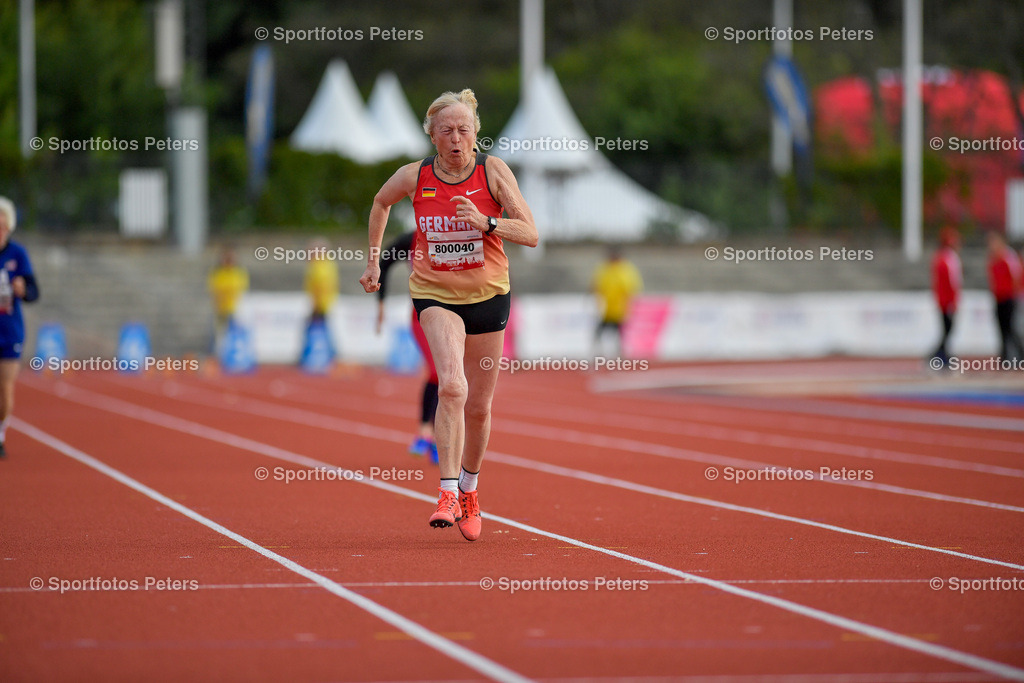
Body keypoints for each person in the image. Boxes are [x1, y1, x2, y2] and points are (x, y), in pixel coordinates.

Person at [359, 88, 538, 541]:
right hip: (435, 295)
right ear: (432, 137)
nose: (456, 139)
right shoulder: (414, 176)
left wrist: (487, 223)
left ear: (476, 132)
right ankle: (446, 491)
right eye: (446, 131)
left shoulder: (492, 171)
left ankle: (471, 490)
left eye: (463, 129)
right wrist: (373, 261)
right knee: (452, 387)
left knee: (478, 407)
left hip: (489, 297)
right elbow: (381, 202)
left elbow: (530, 233)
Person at [377, 230, 439, 463]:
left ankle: (437, 437)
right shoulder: (411, 240)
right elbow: (384, 262)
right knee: (437, 371)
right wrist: (381, 302)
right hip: (421, 315)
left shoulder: (460, 233)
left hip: (456, 314)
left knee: (452, 376)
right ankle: (425, 431)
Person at [0, 197, 40, 458]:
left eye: (3, 225)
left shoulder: (18, 254)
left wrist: (23, 290)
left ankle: (0, 432)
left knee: (5, 390)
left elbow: (34, 292)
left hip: (9, 330)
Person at [592, 245, 643, 356]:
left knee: (620, 332)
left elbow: (631, 288)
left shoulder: (626, 269)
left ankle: (620, 352)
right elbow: (597, 285)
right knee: (600, 331)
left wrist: (628, 304)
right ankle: (598, 352)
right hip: (606, 308)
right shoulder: (605, 268)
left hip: (619, 308)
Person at [987, 230, 1023, 360]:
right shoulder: (993, 259)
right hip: (999, 298)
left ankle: (1020, 354)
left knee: (1011, 329)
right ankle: (1005, 357)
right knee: (1001, 329)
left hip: (1008, 297)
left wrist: (1013, 293)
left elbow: (1016, 276)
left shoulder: (1008, 256)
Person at [207, 246, 249, 354]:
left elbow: (242, 290)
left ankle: (234, 355)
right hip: (220, 308)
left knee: (234, 334)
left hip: (235, 308)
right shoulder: (217, 273)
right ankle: (215, 356)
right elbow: (213, 289)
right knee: (217, 335)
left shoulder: (239, 272)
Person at [930, 226, 961, 367]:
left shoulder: (939, 257)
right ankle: (939, 355)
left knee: (946, 329)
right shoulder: (949, 258)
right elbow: (953, 281)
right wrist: (953, 300)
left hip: (943, 299)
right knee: (948, 329)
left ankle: (942, 354)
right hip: (946, 300)